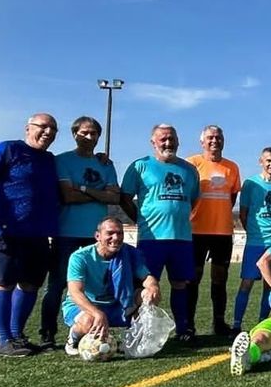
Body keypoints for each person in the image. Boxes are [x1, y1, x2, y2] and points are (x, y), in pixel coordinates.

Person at [0, 112, 60, 356]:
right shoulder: (8, 149)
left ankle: (17, 336)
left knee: (30, 285)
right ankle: (3, 340)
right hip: (6, 231)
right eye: (43, 126)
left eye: (53, 129)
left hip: (38, 235)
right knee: (4, 283)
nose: (48, 132)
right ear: (28, 128)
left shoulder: (49, 160)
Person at [43, 115, 119, 349]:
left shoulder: (105, 164)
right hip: (67, 233)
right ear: (74, 134)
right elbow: (68, 196)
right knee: (57, 284)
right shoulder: (62, 160)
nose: (88, 136)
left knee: (98, 286)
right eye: (84, 132)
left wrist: (83, 188)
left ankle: (93, 325)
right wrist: (98, 194)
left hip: (97, 236)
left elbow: (114, 197)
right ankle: (47, 334)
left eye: (93, 133)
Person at [120, 124, 201, 341]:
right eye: (163, 139)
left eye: (172, 139)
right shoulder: (140, 166)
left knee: (180, 284)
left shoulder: (189, 169)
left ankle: (183, 329)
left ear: (178, 141)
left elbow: (193, 200)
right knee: (146, 285)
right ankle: (140, 330)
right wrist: (140, 219)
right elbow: (124, 198)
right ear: (153, 142)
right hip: (151, 239)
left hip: (182, 238)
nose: (168, 143)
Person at [63, 217, 162, 355]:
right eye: (110, 233)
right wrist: (96, 313)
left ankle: (131, 337)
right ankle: (73, 338)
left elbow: (146, 277)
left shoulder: (130, 253)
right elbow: (75, 292)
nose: (116, 238)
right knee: (89, 321)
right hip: (86, 305)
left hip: (116, 303)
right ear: (97, 236)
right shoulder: (80, 257)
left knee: (148, 294)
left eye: (120, 233)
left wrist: (153, 287)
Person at [186, 125, 242, 336]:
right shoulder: (191, 164)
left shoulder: (232, 167)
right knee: (193, 279)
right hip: (196, 231)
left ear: (223, 141)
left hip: (222, 232)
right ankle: (188, 324)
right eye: (210, 137)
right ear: (202, 141)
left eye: (218, 137)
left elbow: (232, 198)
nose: (214, 141)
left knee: (220, 280)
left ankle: (218, 323)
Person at [232, 147, 271, 334]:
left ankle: (262, 322)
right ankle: (236, 324)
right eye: (268, 160)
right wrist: (253, 233)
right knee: (247, 283)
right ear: (261, 162)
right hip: (255, 242)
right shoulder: (251, 184)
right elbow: (243, 213)